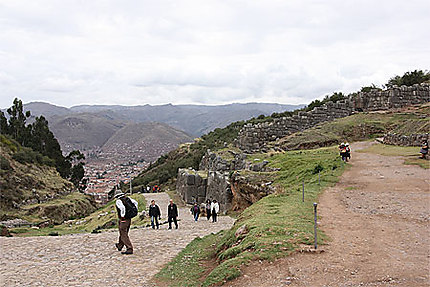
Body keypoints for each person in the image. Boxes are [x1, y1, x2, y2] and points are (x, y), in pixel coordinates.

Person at [114, 190, 138, 255]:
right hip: (129, 218)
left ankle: (129, 248)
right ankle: (120, 245)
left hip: (123, 219)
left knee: (123, 233)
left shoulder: (118, 201)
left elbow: (122, 208)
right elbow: (136, 203)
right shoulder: (128, 199)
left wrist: (122, 216)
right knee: (124, 232)